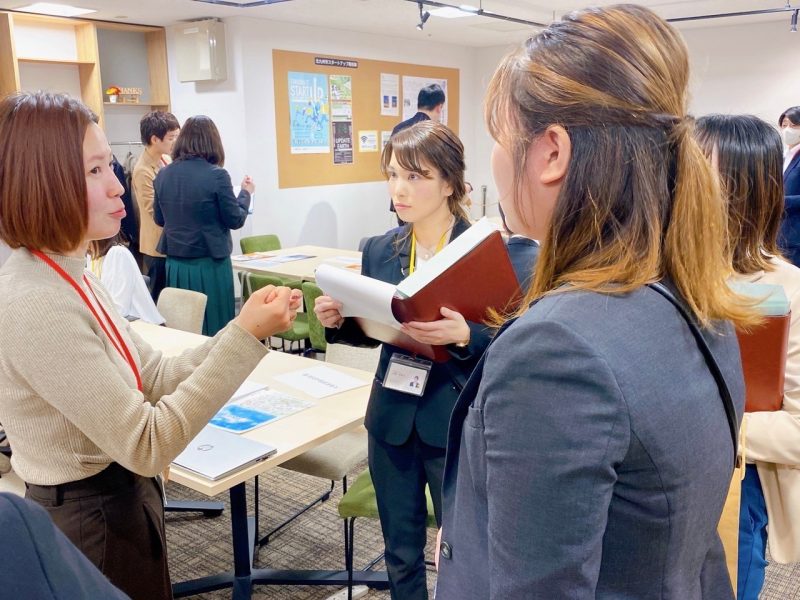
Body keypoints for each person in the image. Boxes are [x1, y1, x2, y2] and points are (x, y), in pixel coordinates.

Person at [436, 5, 754, 599]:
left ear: (551, 152)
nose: (496, 162)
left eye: (501, 140)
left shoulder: (557, 348)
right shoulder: (694, 298)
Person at [0, 91, 298, 600]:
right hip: (88, 519)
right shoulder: (34, 300)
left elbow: (153, 374)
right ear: (44, 180)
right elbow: (147, 442)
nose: (118, 185)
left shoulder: (73, 276)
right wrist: (245, 338)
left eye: (109, 167)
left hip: (121, 501)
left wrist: (241, 328)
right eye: (95, 171)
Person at [315, 120, 489, 600]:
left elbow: (513, 340)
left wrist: (467, 334)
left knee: (462, 549)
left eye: (416, 177)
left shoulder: (484, 251)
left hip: (453, 418)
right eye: (393, 175)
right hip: (391, 415)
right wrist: (341, 319)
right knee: (400, 548)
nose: (400, 189)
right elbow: (378, 331)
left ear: (449, 183)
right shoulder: (378, 249)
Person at [696, 114, 800, 600]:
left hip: (736, 487)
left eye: (700, 174)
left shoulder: (786, 289)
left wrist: (702, 424)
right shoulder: (656, 274)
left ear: (742, 190)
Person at [153, 115, 254, 336]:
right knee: (215, 326)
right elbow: (235, 219)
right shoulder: (217, 175)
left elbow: (160, 219)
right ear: (213, 142)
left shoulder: (163, 174)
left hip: (176, 264)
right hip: (210, 264)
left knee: (183, 328)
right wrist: (246, 194)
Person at [132, 110, 180, 302]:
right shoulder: (143, 170)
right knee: (159, 297)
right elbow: (153, 210)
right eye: (171, 138)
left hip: (169, 242)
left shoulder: (166, 159)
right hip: (156, 246)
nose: (175, 142)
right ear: (154, 139)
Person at [390, 84, 447, 225]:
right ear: (439, 107)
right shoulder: (434, 132)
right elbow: (444, 169)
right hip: (424, 205)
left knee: (406, 241)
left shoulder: (399, 128)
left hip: (401, 204)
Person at [87, 233, 165, 325]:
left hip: (138, 325)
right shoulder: (92, 257)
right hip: (113, 322)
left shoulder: (117, 254)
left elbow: (119, 308)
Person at [778, 106, 800, 267]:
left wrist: (779, 201)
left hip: (796, 233)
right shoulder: (784, 155)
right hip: (780, 231)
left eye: (794, 125)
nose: (787, 130)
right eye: (784, 125)